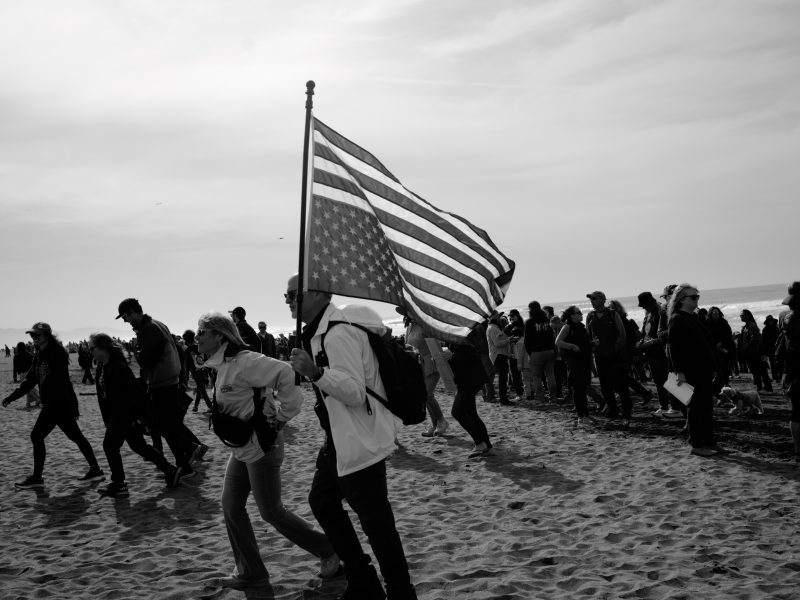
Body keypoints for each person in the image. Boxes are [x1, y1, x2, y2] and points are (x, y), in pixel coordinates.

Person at [285, 274, 418, 600]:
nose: (288, 300)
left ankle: (398, 592)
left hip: (360, 439)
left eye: (293, 294)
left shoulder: (338, 332)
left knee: (376, 523)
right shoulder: (323, 331)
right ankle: (362, 579)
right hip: (340, 440)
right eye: (286, 296)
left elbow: (355, 392)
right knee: (323, 502)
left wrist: (315, 373)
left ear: (316, 293)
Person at [195, 312, 339, 590]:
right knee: (231, 506)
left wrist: (285, 415)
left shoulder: (245, 361)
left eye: (202, 331)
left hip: (262, 449)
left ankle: (329, 549)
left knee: (271, 512)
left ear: (219, 335)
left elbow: (286, 372)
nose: (197, 336)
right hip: (240, 450)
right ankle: (252, 572)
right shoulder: (222, 364)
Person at [2, 322, 104, 488]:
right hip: (53, 404)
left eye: (37, 335)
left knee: (37, 435)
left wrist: (73, 406)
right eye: (32, 335)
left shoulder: (57, 353)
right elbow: (30, 380)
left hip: (58, 404)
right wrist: (12, 397)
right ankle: (95, 469)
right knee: (75, 436)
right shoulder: (39, 354)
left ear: (47, 336)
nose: (34, 338)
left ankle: (37, 477)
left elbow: (64, 382)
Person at [116, 298, 203, 485]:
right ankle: (189, 453)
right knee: (168, 425)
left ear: (133, 312)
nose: (125, 321)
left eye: (125, 317)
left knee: (163, 426)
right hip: (168, 381)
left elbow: (147, 359)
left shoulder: (148, 329)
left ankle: (188, 457)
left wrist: (134, 354)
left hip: (162, 384)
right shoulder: (157, 324)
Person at [90, 333, 180, 497]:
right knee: (139, 446)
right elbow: (104, 396)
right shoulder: (103, 367)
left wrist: (135, 418)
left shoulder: (118, 367)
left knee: (110, 446)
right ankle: (170, 470)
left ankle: (119, 484)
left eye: (93, 348)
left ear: (103, 348)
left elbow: (134, 394)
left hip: (123, 415)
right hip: (116, 416)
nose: (91, 352)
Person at [667, 284, 725, 457]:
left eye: (697, 296)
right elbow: (673, 347)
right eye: (693, 297)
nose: (697, 299)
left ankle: (710, 442)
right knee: (695, 408)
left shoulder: (693, 317)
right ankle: (697, 444)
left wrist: (713, 367)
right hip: (690, 370)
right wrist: (679, 372)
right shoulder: (677, 318)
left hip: (703, 369)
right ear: (681, 299)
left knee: (706, 407)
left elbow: (706, 344)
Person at [401, 309, 449, 437]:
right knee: (424, 395)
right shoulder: (410, 327)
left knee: (427, 394)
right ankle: (435, 425)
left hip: (431, 361)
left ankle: (441, 421)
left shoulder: (425, 324)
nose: (407, 315)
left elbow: (436, 343)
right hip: (420, 363)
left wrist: (437, 360)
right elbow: (410, 346)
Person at [585, 291, 631, 423]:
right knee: (605, 385)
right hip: (599, 356)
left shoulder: (612, 313)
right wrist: (592, 346)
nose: (592, 301)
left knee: (621, 384)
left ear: (603, 299)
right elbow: (588, 335)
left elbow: (622, 334)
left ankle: (627, 411)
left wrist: (615, 349)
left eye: (594, 298)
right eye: (591, 299)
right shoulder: (590, 315)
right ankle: (613, 409)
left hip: (614, 355)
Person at [447, 332, 493, 456]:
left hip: (469, 381)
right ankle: (486, 444)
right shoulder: (463, 340)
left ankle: (480, 443)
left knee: (457, 412)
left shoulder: (465, 340)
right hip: (469, 380)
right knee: (471, 414)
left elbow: (468, 358)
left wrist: (449, 358)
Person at [637, 292, 681, 418]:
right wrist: (642, 342)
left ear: (651, 303)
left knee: (670, 379)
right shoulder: (648, 314)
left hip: (662, 352)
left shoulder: (661, 311)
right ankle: (664, 406)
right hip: (651, 352)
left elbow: (666, 333)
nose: (644, 308)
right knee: (659, 381)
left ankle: (676, 408)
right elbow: (645, 332)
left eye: (644, 305)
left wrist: (650, 342)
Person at [555, 306, 592, 421]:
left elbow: (583, 343)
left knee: (584, 386)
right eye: (578, 313)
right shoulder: (567, 326)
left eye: (581, 312)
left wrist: (592, 343)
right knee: (578, 387)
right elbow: (558, 341)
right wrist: (571, 346)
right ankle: (581, 414)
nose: (581, 314)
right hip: (574, 361)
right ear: (572, 315)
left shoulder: (581, 327)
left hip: (584, 359)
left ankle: (585, 413)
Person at [778, 282, 800, 459]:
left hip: (792, 370)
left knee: (796, 412)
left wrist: (784, 372)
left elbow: (784, 350)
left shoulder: (785, 319)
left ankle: (798, 448)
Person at [524, 301, 558, 404]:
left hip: (536, 352)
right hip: (549, 350)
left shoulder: (530, 322)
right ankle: (553, 397)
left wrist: (530, 353)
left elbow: (527, 340)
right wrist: (554, 349)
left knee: (536, 376)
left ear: (531, 310)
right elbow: (552, 336)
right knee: (550, 375)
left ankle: (540, 397)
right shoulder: (547, 320)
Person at [739, 309, 773, 393]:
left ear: (747, 316)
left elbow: (756, 339)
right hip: (750, 353)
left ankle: (766, 388)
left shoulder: (752, 325)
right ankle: (760, 388)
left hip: (755, 353)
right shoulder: (745, 327)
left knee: (761, 371)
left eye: (742, 315)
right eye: (740, 315)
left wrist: (748, 348)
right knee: (756, 372)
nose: (741, 317)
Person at [486, 313, 515, 406]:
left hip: (499, 355)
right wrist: (509, 340)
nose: (499, 318)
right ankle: (503, 399)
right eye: (498, 316)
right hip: (498, 355)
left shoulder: (493, 327)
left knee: (503, 378)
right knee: (503, 378)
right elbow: (497, 343)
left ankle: (504, 398)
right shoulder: (493, 328)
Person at [182, 330, 212, 413]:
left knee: (202, 390)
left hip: (196, 373)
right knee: (200, 388)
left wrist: (186, 377)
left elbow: (187, 366)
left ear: (186, 340)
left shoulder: (188, 350)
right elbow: (206, 358)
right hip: (204, 370)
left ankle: (210, 406)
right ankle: (195, 406)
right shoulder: (200, 346)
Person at [707, 307, 735, 396]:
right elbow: (706, 336)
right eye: (714, 313)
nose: (716, 315)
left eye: (717, 313)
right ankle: (716, 390)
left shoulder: (724, 323)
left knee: (724, 370)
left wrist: (722, 343)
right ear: (710, 314)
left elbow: (729, 335)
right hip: (712, 351)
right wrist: (714, 344)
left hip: (724, 350)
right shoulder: (707, 323)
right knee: (715, 371)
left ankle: (725, 388)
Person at [12, 341, 40, 409]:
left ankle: (38, 398)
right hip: (30, 373)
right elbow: (33, 365)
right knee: (28, 387)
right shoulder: (29, 354)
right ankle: (28, 402)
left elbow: (15, 367)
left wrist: (15, 377)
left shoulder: (16, 356)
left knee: (27, 388)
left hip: (22, 374)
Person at [762, 315, 781, 382]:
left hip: (777, 347)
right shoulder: (765, 329)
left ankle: (778, 376)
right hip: (770, 349)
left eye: (771, 320)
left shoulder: (776, 328)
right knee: (772, 363)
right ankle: (775, 377)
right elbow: (763, 340)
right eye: (769, 321)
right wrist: (764, 350)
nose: (771, 322)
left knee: (778, 362)